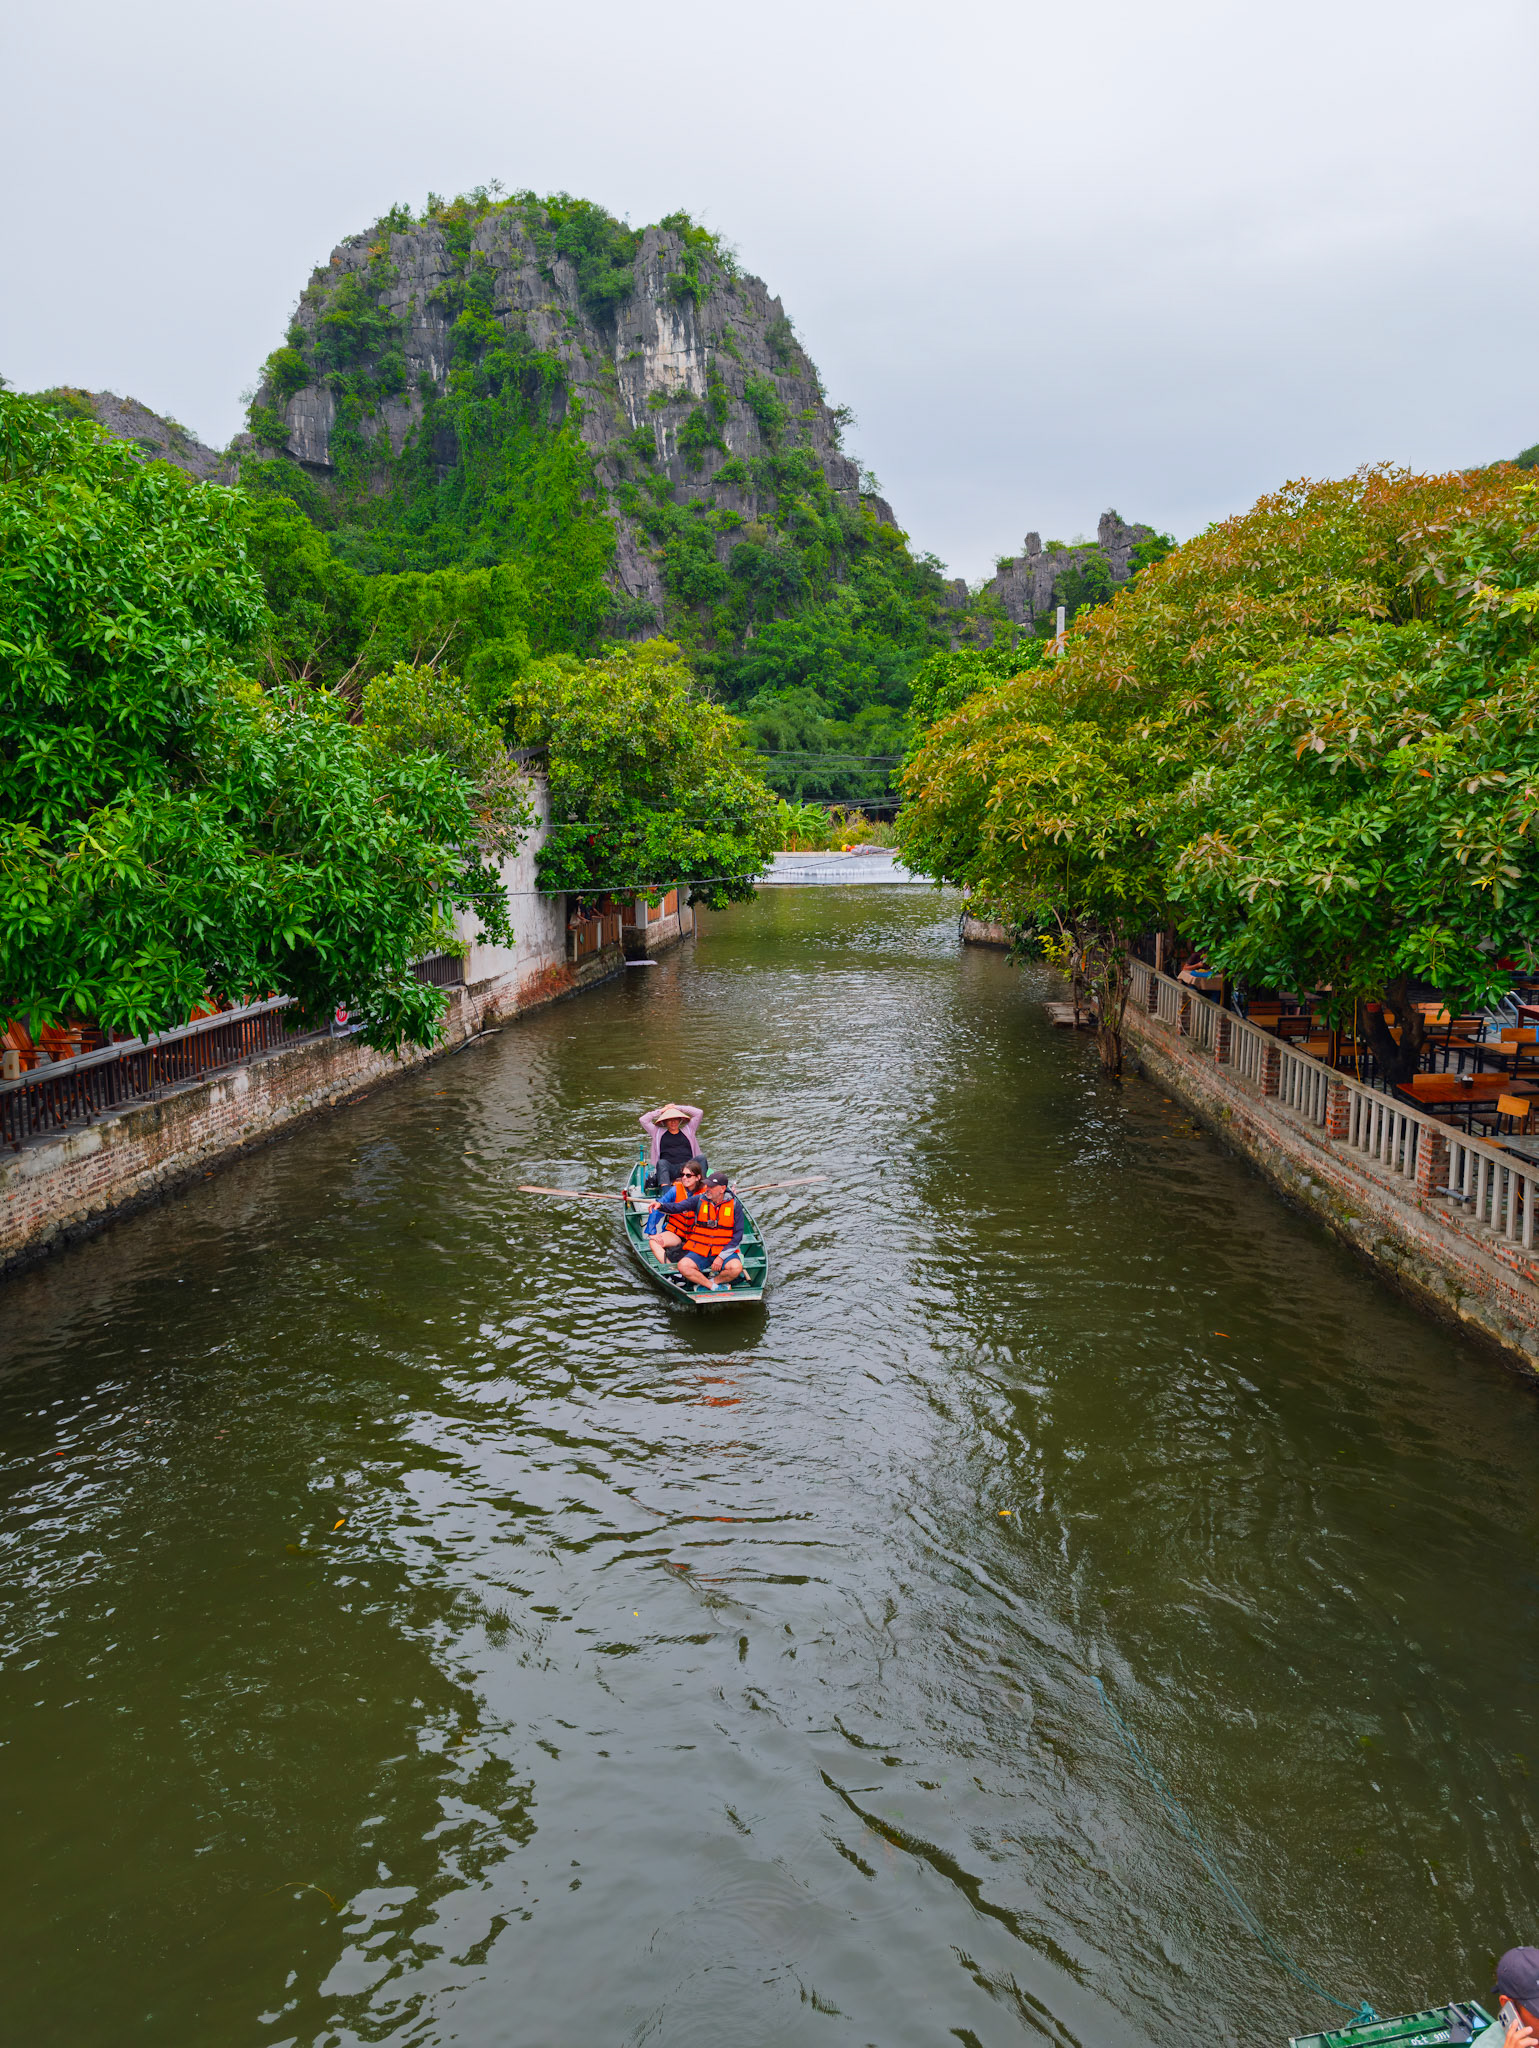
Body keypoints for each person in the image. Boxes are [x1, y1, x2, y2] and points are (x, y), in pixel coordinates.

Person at [672, 1170, 745, 1292]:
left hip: (723, 1249)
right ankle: (712, 1286)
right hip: (701, 1249)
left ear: (722, 1189)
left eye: (711, 1186)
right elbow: (678, 1207)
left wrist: (721, 1257)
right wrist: (660, 1205)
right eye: (707, 1185)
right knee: (683, 1266)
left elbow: (738, 1236)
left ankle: (713, 1281)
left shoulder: (735, 1205)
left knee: (736, 1268)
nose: (707, 1188)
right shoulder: (699, 1200)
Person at [645, 1158, 706, 1264]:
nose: (684, 1178)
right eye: (682, 1175)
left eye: (688, 1175)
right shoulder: (675, 1190)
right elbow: (658, 1208)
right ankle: (671, 1268)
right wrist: (652, 1231)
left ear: (698, 1177)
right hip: (677, 1233)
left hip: (697, 1235)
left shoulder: (706, 1192)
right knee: (653, 1242)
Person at [639, 1102, 704, 1193]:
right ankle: (667, 1194)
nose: (673, 1122)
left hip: (689, 1167)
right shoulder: (657, 1132)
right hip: (670, 1169)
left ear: (680, 1120)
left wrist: (677, 1107)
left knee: (701, 1158)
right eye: (669, 1120)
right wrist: (662, 1110)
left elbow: (699, 1112)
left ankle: (702, 1190)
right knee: (661, 1163)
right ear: (664, 1122)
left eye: (676, 1119)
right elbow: (643, 1120)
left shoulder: (689, 1130)